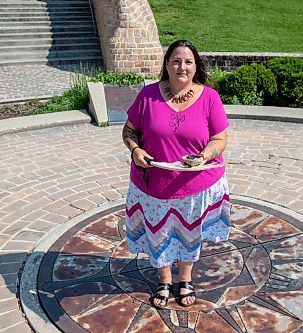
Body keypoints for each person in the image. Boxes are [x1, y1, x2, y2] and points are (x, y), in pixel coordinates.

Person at [122, 40, 231, 309]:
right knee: (158, 235)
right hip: (152, 184)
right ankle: (163, 280)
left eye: (188, 62)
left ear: (196, 67)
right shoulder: (147, 96)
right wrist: (135, 150)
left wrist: (204, 156)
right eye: (176, 61)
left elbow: (219, 138)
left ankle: (185, 279)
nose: (182, 66)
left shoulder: (209, 98)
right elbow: (128, 131)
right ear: (167, 65)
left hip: (195, 185)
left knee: (189, 234)